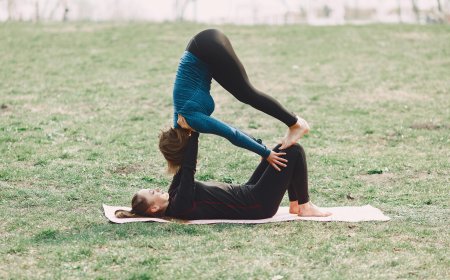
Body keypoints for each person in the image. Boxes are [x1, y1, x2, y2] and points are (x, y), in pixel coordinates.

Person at [165, 28, 310, 172]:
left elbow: (232, 133)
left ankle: (295, 123)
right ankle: (294, 122)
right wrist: (260, 146)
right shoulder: (181, 122)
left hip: (206, 46)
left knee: (247, 93)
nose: (194, 161)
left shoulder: (192, 120)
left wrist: (266, 153)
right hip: (204, 46)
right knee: (244, 94)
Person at [116, 131, 331, 220]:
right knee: (293, 151)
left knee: (280, 149)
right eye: (153, 192)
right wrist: (195, 132)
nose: (158, 189)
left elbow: (182, 166)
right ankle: (304, 205)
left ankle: (295, 204)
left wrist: (185, 128)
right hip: (256, 205)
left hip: (247, 192)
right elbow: (189, 169)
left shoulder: (174, 195)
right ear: (154, 208)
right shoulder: (180, 205)